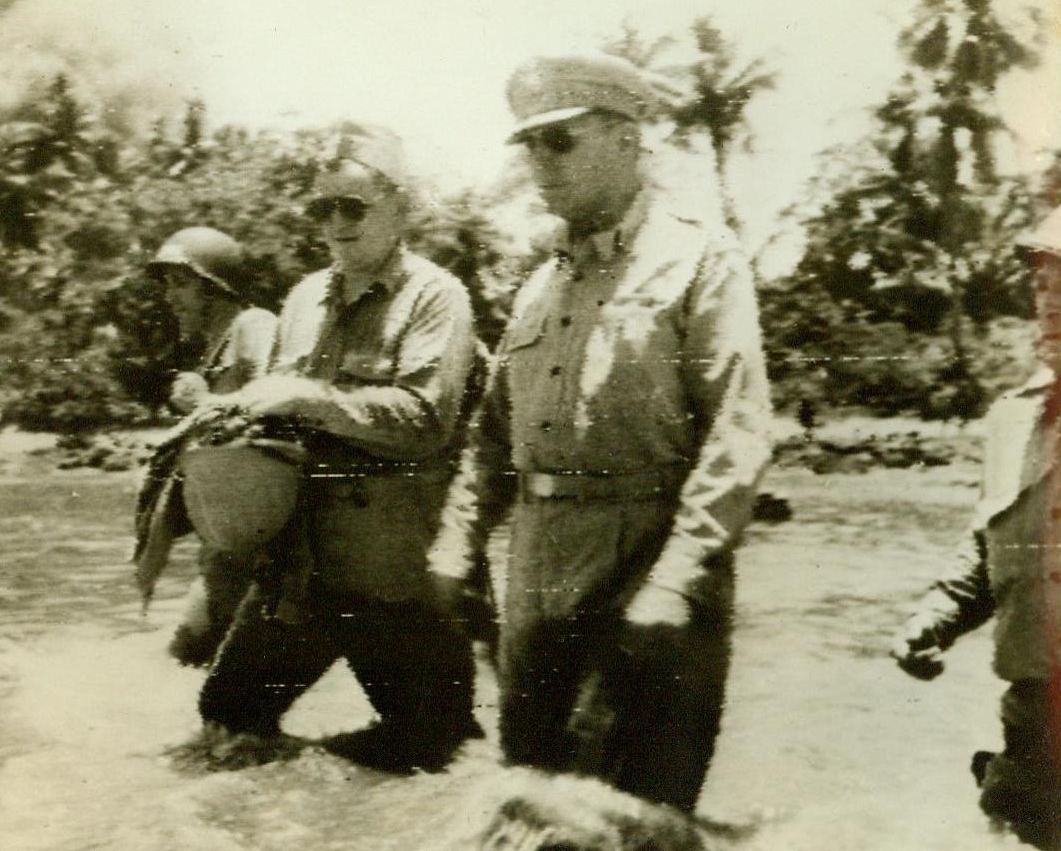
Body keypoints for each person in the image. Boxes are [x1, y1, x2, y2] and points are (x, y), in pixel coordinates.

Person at [460, 52, 773, 812]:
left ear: (628, 140)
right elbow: (492, 437)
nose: (539, 162)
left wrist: (675, 580)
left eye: (559, 141)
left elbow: (739, 434)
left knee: (637, 817)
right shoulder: (539, 283)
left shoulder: (701, 259)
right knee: (533, 804)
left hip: (651, 568)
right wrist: (458, 540)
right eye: (529, 145)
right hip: (538, 573)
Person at [197, 122, 483, 773]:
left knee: (435, 754)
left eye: (350, 206)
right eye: (320, 207)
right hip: (299, 570)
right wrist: (232, 419)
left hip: (389, 574)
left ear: (399, 208)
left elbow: (424, 420)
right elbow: (277, 415)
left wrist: (307, 399)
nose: (333, 222)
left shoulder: (436, 297)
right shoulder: (302, 298)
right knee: (227, 719)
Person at [892, 206, 1061, 849]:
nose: (1047, 301)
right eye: (1041, 283)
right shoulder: (1011, 420)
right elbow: (987, 547)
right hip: (1033, 718)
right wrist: (932, 617)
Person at [145, 226, 277, 666]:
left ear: (215, 288)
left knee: (188, 659)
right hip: (231, 536)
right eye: (166, 284)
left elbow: (278, 398)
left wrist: (207, 402)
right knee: (193, 661)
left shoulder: (252, 325)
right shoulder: (215, 347)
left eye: (181, 283)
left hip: (258, 540)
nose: (170, 296)